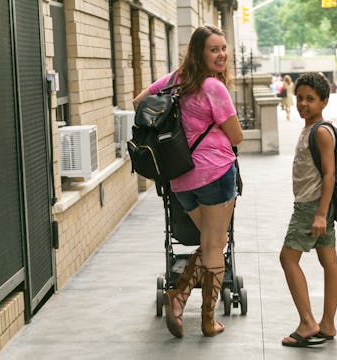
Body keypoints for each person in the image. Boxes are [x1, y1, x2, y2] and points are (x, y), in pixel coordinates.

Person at [133, 24, 243, 338]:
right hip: (215, 173)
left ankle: (179, 297)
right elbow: (236, 136)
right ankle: (207, 321)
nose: (222, 54)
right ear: (199, 52)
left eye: (223, 48)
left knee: (212, 242)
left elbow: (139, 102)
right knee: (214, 246)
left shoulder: (172, 81)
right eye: (214, 49)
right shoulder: (213, 88)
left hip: (180, 179)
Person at [279, 72, 337, 348]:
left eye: (310, 99)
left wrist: (319, 214)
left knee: (288, 258)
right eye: (300, 98)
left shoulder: (322, 132)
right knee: (329, 262)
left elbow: (330, 175)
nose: (303, 104)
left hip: (311, 207)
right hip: (316, 206)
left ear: (324, 102)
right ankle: (327, 324)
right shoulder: (312, 128)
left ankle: (308, 323)